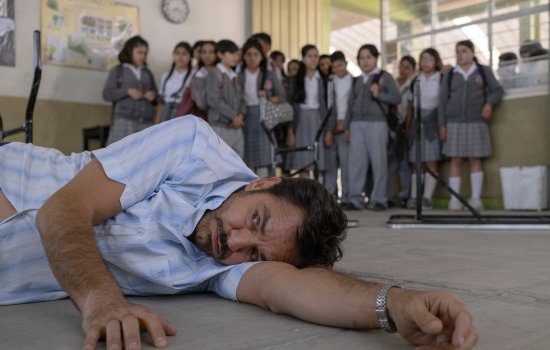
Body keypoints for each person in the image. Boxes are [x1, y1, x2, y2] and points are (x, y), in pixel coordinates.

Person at [0, 117, 477, 350]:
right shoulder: (191, 146)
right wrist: (104, 300)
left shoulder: (227, 260)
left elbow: (288, 289)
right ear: (262, 183)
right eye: (256, 221)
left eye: (255, 255)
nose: (233, 245)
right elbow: (62, 210)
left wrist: (392, 304)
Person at [439, 40, 503, 210]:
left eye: (464, 51)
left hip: (476, 121)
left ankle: (476, 199)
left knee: (475, 159)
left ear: (472, 53)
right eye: (458, 51)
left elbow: (497, 90)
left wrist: (489, 104)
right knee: (456, 160)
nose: (460, 55)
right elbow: (442, 101)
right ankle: (454, 200)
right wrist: (442, 125)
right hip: (454, 123)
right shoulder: (451, 74)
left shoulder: (483, 71)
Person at [345, 44, 401, 211]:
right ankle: (355, 198)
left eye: (368, 57)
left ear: (376, 59)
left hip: (378, 124)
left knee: (379, 162)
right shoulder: (356, 80)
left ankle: (379, 199)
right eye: (362, 58)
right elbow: (350, 105)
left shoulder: (385, 77)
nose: (365, 61)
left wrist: (379, 94)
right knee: (356, 163)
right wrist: (348, 127)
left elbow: (396, 98)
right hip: (356, 125)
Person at [240, 39, 286, 178]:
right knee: (247, 157)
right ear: (243, 56)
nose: (252, 58)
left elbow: (282, 97)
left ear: (261, 56)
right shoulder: (239, 74)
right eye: (248, 54)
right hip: (244, 117)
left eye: (255, 54)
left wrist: (267, 97)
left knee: (264, 157)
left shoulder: (269, 74)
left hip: (264, 117)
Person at [286, 44, 333, 179]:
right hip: (300, 122)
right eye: (309, 56)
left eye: (316, 56)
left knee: (320, 162)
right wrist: (290, 131)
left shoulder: (324, 80)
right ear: (303, 59)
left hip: (319, 120)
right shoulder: (295, 80)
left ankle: (320, 196)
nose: (313, 59)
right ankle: (304, 198)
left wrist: (329, 130)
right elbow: (290, 107)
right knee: (303, 163)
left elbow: (329, 107)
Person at [406, 48, 444, 210]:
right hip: (417, 120)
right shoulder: (416, 79)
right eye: (422, 59)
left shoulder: (441, 78)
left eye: (429, 59)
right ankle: (415, 197)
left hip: (433, 120)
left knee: (431, 161)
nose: (425, 62)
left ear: (435, 60)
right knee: (416, 161)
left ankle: (427, 197)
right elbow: (409, 103)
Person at [102, 35, 157, 145]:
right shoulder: (118, 71)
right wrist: (127, 91)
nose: (143, 56)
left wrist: (153, 95)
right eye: (139, 52)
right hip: (124, 122)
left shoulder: (147, 73)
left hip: (146, 124)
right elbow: (107, 94)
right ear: (129, 51)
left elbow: (157, 97)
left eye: (145, 53)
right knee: (118, 155)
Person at [205, 39, 246, 159]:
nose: (235, 57)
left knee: (238, 164)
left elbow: (243, 100)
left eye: (236, 54)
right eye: (231, 53)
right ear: (220, 54)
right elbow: (213, 100)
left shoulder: (235, 76)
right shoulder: (214, 73)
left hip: (237, 126)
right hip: (220, 126)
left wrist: (240, 116)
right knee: (220, 163)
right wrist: (234, 116)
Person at [324, 50, 352, 206]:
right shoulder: (330, 81)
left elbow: (352, 106)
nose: (337, 69)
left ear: (346, 64)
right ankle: (330, 196)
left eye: (340, 65)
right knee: (330, 164)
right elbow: (329, 107)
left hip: (346, 124)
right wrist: (329, 129)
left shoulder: (354, 81)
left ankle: (347, 195)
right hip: (332, 125)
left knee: (346, 163)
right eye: (333, 67)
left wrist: (346, 125)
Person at [387, 55, 415, 208]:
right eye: (401, 67)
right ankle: (389, 195)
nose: (403, 70)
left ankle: (405, 194)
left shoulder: (411, 85)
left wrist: (407, 127)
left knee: (404, 162)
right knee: (390, 162)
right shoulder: (393, 83)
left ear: (412, 70)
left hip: (403, 127)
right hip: (391, 126)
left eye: (407, 67)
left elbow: (410, 109)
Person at [155, 41, 194, 124]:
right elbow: (161, 102)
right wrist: (156, 122)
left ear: (190, 57)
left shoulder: (194, 76)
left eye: (184, 54)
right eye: (177, 53)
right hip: (166, 112)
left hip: (184, 113)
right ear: (173, 55)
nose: (180, 57)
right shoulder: (165, 76)